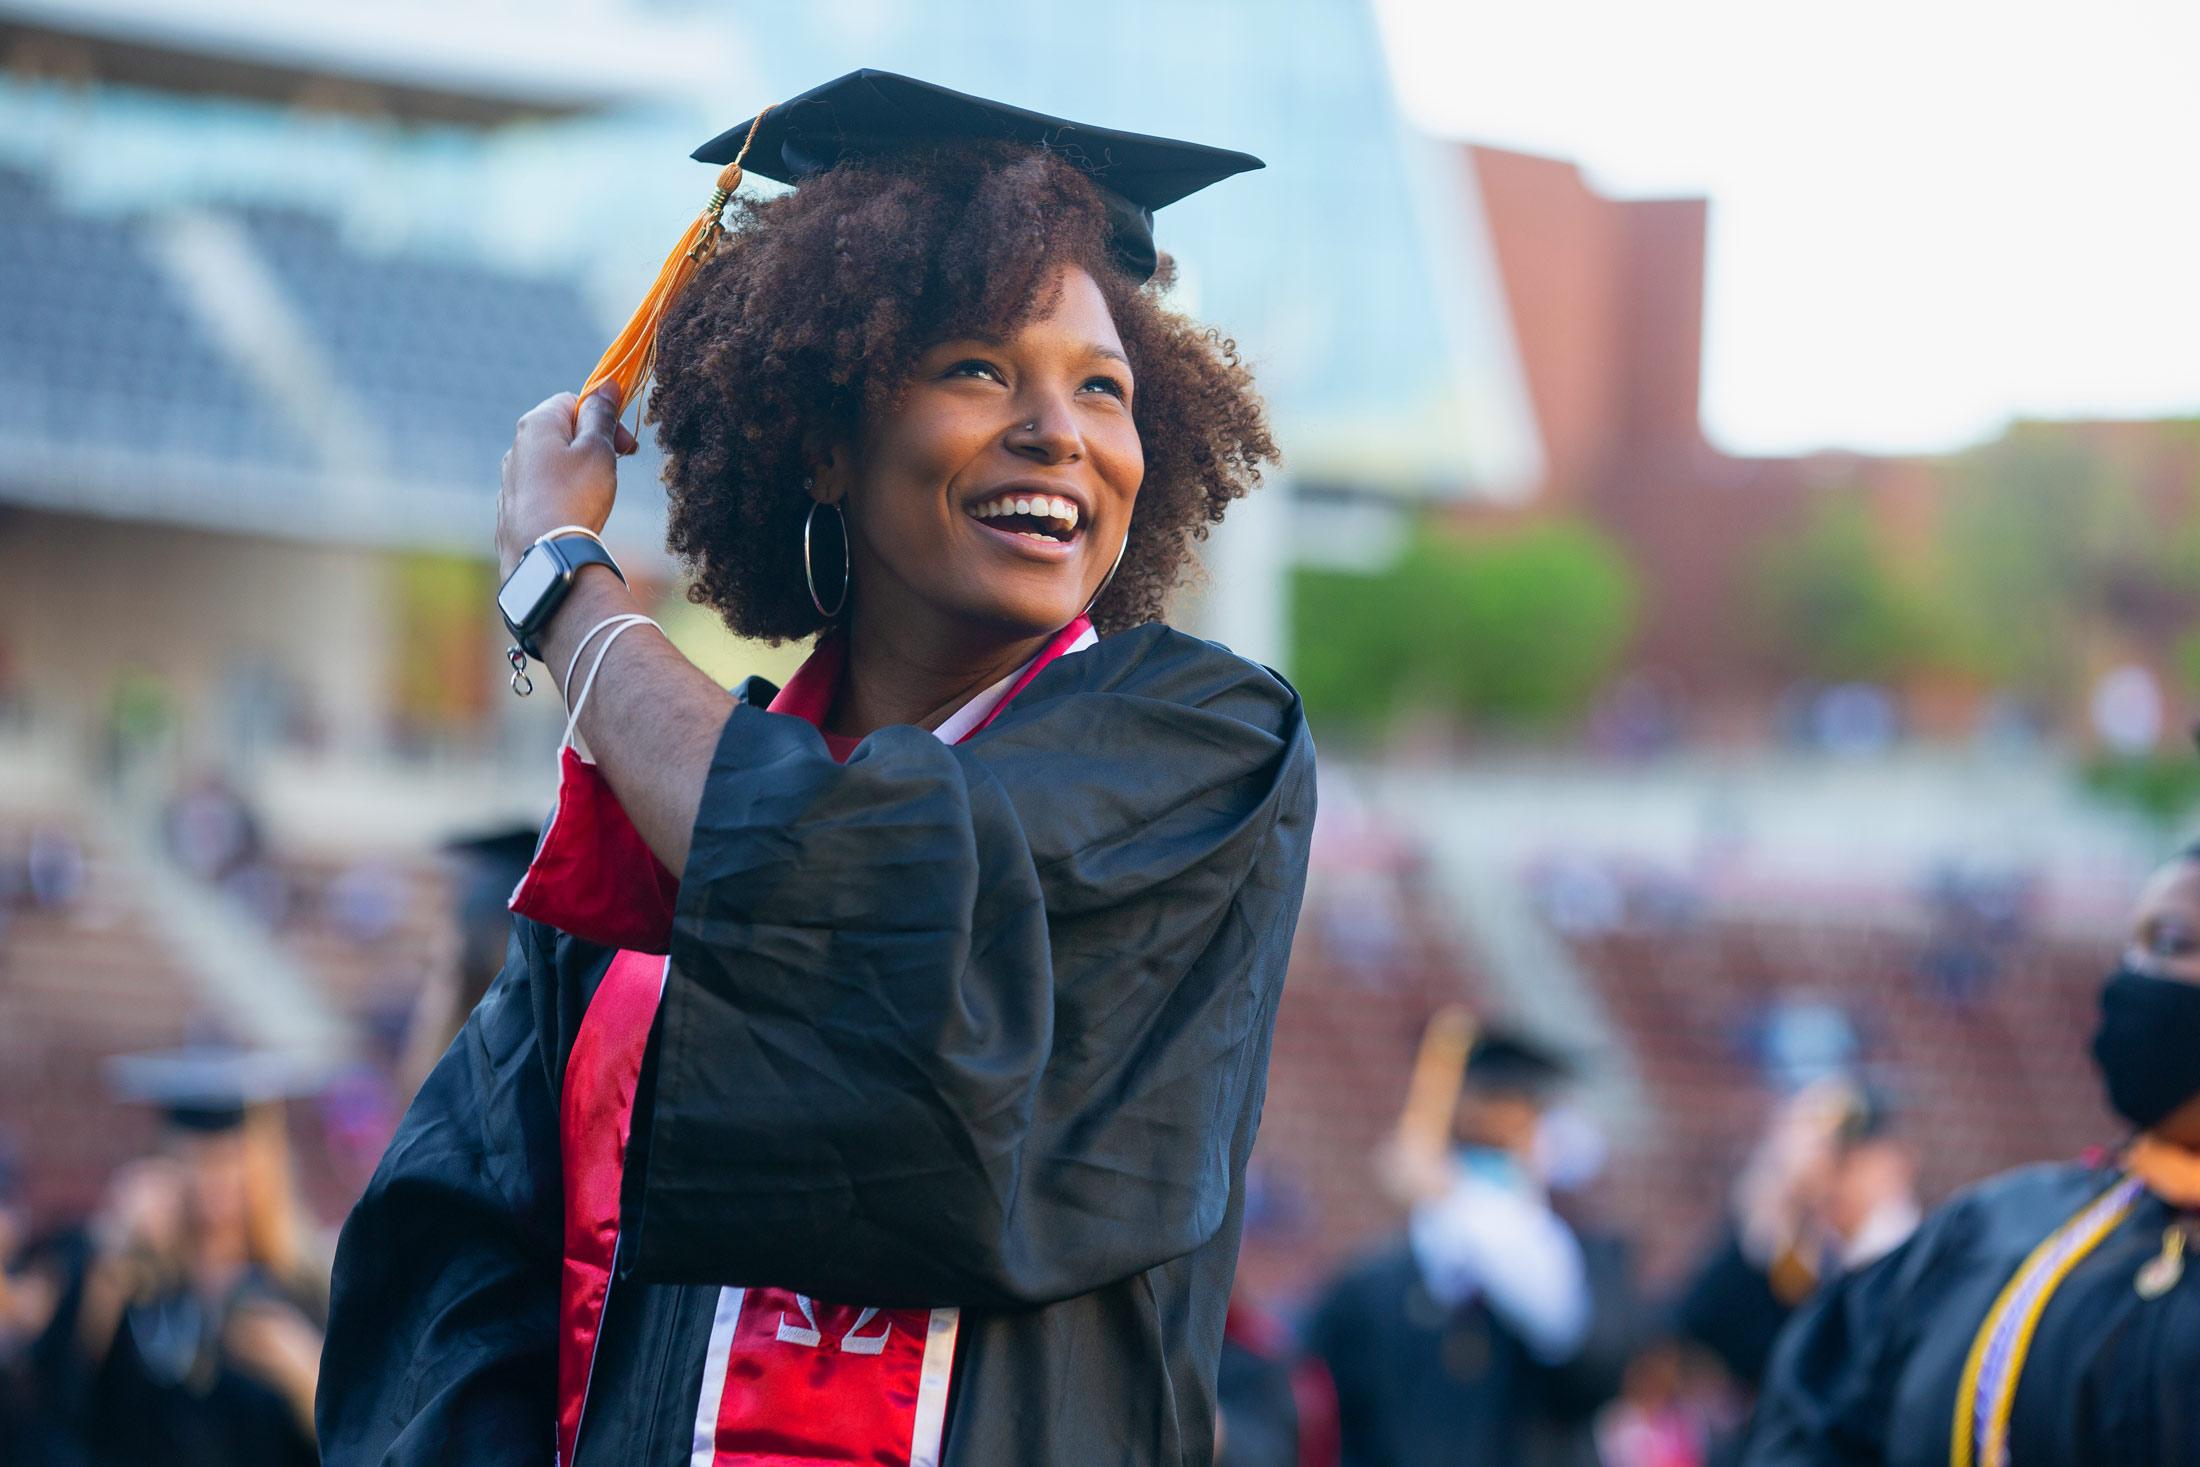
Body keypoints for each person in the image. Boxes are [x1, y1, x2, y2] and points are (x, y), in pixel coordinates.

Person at [318, 70, 1313, 1467]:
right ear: (827, 430)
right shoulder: (638, 863)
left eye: (1105, 386)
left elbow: (873, 911)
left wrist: (571, 589)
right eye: (980, 366)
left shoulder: (1202, 750)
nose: (1061, 431)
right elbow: (452, 1268)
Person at [1743, 845, 2200, 1466]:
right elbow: (1807, 1421)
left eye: (2172, 943)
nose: (2136, 976)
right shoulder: (1993, 1230)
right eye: (2136, 945)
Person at [1307, 1028, 1637, 1467]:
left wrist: (1454, 1197)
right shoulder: (1368, 1289)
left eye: (1528, 1110)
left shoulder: (1583, 1264)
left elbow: (1587, 1357)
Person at [35, 1049, 325, 1466]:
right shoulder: (131, 1274)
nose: (214, 1180)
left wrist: (300, 1370)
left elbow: (349, 1435)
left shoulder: (301, 1286)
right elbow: (65, 1398)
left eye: (230, 1159)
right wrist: (118, 1251)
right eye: (196, 1159)